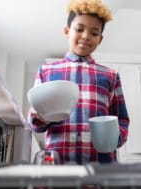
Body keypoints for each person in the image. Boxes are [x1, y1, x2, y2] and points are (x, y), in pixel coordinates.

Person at [27, 0, 130, 165]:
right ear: (67, 31)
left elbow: (122, 119)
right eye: (80, 29)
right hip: (58, 167)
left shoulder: (111, 75)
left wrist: (115, 138)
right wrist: (40, 117)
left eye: (94, 33)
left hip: (101, 167)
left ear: (100, 39)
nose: (86, 36)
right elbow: (35, 124)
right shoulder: (46, 71)